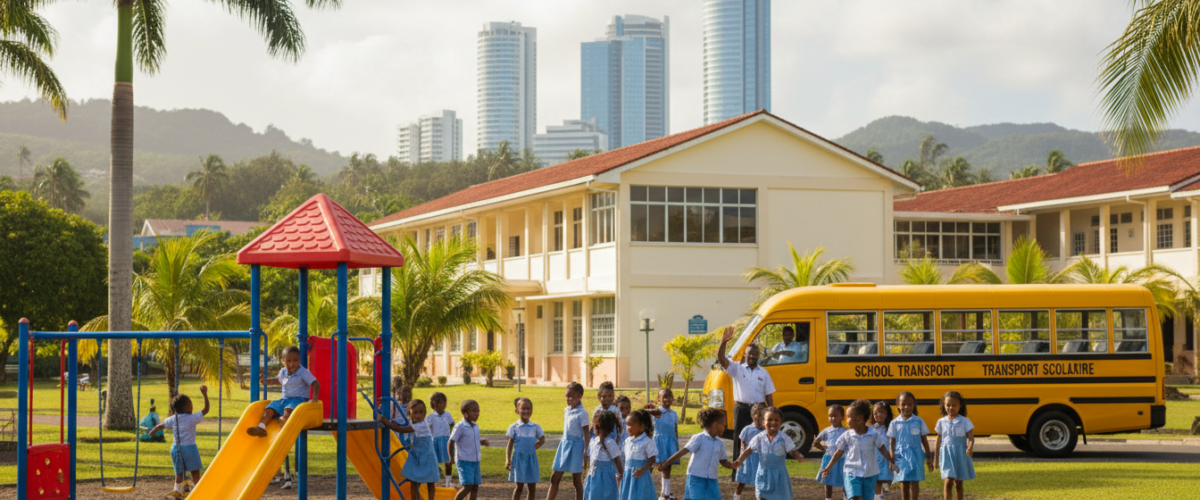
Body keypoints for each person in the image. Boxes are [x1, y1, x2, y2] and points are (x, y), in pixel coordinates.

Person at [717, 325, 776, 482]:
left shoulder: (763, 373)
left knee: (763, 440)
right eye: (750, 354)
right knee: (740, 441)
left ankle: (761, 473)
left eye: (755, 354)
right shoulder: (736, 368)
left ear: (758, 356)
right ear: (744, 355)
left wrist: (770, 413)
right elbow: (722, 360)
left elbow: (769, 395)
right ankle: (738, 474)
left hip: (760, 411)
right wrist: (723, 342)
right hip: (742, 409)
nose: (752, 356)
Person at [819, 399, 898, 500]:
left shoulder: (873, 433)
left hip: (870, 473)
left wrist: (890, 461)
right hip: (851, 472)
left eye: (848, 417)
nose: (846, 420)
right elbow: (838, 452)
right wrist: (828, 467)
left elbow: (882, 448)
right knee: (854, 497)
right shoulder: (847, 435)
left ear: (860, 419)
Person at [657, 408, 735, 500]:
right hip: (696, 478)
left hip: (712, 480)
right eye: (724, 425)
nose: (724, 428)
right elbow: (683, 451)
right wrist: (666, 463)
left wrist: (733, 465)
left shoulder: (720, 443)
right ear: (715, 424)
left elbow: (723, 461)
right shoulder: (699, 438)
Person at [732, 406, 804, 500]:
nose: (773, 422)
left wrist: (799, 456)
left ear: (780, 422)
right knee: (761, 497)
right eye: (769, 419)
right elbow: (749, 450)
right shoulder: (759, 438)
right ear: (763, 422)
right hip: (763, 474)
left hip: (779, 475)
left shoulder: (784, 438)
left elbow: (792, 450)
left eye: (776, 420)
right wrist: (740, 460)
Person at [149, 386, 209, 498]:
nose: (192, 404)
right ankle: (200, 492)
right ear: (187, 407)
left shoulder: (173, 418)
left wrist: (153, 430)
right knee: (195, 473)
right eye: (190, 403)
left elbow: (161, 425)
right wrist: (205, 394)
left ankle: (177, 491)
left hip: (176, 449)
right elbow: (206, 410)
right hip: (190, 449)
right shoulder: (191, 418)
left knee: (179, 474)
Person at [248, 346, 319, 437]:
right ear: (283, 361)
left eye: (295, 360)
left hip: (299, 400)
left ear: (299, 360)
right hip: (284, 400)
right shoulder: (283, 372)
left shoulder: (303, 372)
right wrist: (267, 381)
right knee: (269, 409)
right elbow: (279, 380)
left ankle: (283, 421)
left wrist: (314, 398)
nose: (292, 364)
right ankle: (261, 427)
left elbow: (315, 383)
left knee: (288, 409)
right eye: (289, 361)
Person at [377, 398, 440, 500]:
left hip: (427, 457)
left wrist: (385, 421)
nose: (418, 415)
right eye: (415, 413)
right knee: (413, 480)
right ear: (409, 414)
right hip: (417, 456)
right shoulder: (414, 423)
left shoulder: (421, 425)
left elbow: (400, 429)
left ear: (425, 414)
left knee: (430, 481)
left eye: (421, 412)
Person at [547, 382, 590, 500]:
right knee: (554, 478)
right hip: (564, 446)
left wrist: (587, 450)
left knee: (576, 481)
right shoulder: (566, 410)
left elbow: (586, 432)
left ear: (579, 396)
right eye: (566, 396)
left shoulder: (583, 413)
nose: (568, 399)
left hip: (577, 448)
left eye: (571, 396)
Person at [888, 391, 932, 500]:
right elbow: (892, 441)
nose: (906, 407)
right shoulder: (894, 423)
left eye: (909, 404)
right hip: (901, 456)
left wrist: (929, 457)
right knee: (904, 482)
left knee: (914, 482)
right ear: (898, 405)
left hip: (916, 456)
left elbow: (924, 441)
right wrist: (891, 456)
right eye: (903, 404)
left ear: (914, 405)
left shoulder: (918, 421)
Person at [933, 391, 975, 500]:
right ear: (944, 405)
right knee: (948, 482)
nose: (951, 407)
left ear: (960, 406)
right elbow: (939, 439)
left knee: (959, 483)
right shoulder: (941, 422)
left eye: (954, 405)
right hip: (946, 454)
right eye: (948, 405)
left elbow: (970, 436)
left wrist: (970, 446)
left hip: (960, 454)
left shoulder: (965, 421)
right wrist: (935, 458)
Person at [507, 397, 546, 500]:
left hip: (531, 460)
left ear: (532, 410)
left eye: (528, 408)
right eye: (523, 408)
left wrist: (534, 447)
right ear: (517, 410)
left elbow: (542, 439)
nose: (526, 411)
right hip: (519, 460)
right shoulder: (514, 427)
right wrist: (508, 459)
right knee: (519, 487)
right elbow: (510, 443)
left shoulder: (535, 427)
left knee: (532, 487)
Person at [451, 399, 490, 500]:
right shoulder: (460, 427)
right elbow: (451, 441)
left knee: (475, 487)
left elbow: (472, 440)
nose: (477, 414)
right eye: (473, 411)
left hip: (475, 461)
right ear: (465, 413)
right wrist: (451, 457)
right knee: (467, 487)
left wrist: (481, 442)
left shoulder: (475, 426)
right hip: (464, 461)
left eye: (478, 411)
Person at [582, 410, 623, 500]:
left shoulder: (610, 442)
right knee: (592, 494)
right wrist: (585, 464)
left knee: (605, 495)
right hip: (593, 475)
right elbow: (588, 455)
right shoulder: (594, 440)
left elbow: (617, 458)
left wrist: (621, 473)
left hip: (606, 476)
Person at [618, 409, 658, 500]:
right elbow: (623, 458)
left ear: (641, 427)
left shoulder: (647, 442)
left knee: (640, 495)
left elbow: (652, 459)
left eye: (631, 425)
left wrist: (643, 469)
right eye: (627, 425)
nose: (628, 427)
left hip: (641, 475)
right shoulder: (627, 441)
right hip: (628, 476)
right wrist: (621, 472)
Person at [733, 404, 767, 500]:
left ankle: (761, 496)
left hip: (761, 459)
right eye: (758, 416)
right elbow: (742, 444)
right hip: (748, 458)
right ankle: (737, 496)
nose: (760, 420)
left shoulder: (766, 430)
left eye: (762, 416)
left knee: (760, 479)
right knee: (742, 480)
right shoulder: (747, 429)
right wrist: (741, 458)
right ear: (753, 417)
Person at [814, 405, 848, 500]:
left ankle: (846, 497)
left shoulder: (845, 431)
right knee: (827, 481)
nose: (832, 418)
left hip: (842, 459)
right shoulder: (827, 430)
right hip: (828, 458)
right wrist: (822, 447)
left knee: (845, 480)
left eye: (835, 416)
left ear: (842, 417)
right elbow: (816, 441)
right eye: (830, 416)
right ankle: (828, 498)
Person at [651, 388, 680, 500]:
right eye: (664, 397)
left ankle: (665, 493)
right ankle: (660, 494)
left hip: (670, 443)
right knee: (658, 467)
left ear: (672, 399)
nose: (667, 399)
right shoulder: (655, 412)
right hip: (659, 443)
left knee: (668, 468)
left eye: (669, 396)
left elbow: (675, 429)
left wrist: (676, 444)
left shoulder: (674, 414)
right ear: (659, 399)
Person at [430, 392, 457, 488]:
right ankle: (433, 482)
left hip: (446, 441)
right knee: (433, 461)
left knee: (448, 462)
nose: (443, 405)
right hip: (435, 441)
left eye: (444, 403)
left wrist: (453, 436)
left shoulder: (447, 415)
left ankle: (448, 482)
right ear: (434, 404)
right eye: (440, 403)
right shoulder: (431, 417)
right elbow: (428, 428)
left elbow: (452, 424)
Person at [871, 401, 895, 497]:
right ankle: (877, 497)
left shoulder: (890, 428)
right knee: (877, 480)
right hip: (875, 458)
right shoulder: (872, 429)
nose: (877, 415)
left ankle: (880, 495)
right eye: (875, 413)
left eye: (880, 412)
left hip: (886, 458)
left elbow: (893, 442)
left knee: (884, 479)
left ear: (886, 414)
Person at [390, 384, 415, 448]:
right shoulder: (411, 406)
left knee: (398, 443)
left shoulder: (394, 405)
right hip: (406, 427)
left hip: (397, 426)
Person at [614, 395, 634, 459]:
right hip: (618, 452)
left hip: (631, 452)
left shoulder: (633, 422)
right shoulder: (615, 422)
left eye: (627, 408)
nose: (625, 410)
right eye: (622, 408)